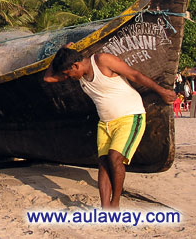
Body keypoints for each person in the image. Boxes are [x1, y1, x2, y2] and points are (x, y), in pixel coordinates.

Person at [44, 46, 175, 209]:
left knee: (115, 158)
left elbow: (134, 75)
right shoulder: (80, 75)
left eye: (68, 73)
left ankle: (115, 203)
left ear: (75, 66)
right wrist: (62, 51)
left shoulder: (102, 61)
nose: (68, 78)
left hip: (130, 116)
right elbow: (48, 78)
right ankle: (105, 207)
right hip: (105, 123)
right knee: (104, 163)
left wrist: (161, 91)